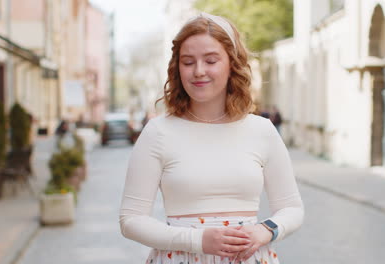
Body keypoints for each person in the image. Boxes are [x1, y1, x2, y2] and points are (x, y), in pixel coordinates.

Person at [119, 13, 304, 264]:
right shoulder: (158, 132)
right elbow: (131, 220)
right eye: (188, 62)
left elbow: (292, 209)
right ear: (177, 68)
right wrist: (198, 241)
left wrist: (265, 230)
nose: (199, 71)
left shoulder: (262, 131)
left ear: (232, 64)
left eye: (211, 60)